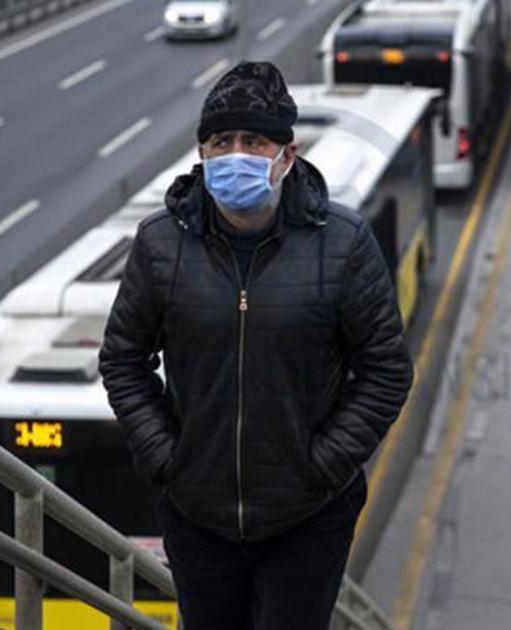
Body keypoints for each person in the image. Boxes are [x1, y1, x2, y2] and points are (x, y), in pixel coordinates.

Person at [98, 61, 413, 630]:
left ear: (286, 156)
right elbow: (123, 359)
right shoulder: (160, 244)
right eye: (221, 141)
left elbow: (386, 369)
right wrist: (170, 461)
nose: (235, 154)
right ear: (202, 153)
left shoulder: (342, 244)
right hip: (198, 517)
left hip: (309, 517)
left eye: (254, 141)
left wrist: (321, 467)